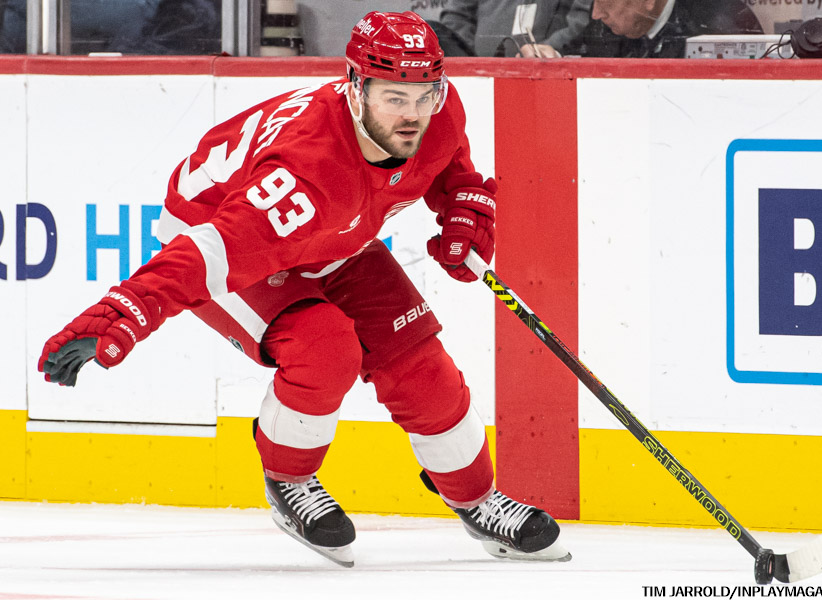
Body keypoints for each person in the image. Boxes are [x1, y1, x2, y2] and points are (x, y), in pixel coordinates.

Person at [37, 11, 570, 567]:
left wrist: (463, 208)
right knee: (324, 347)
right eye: (394, 98)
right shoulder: (303, 173)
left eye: (423, 96)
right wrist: (119, 314)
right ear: (355, 86)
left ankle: (477, 500)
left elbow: (448, 163)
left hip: (334, 236)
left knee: (420, 367)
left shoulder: (437, 110)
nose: (412, 115)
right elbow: (206, 255)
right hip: (223, 230)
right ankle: (289, 480)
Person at [566, 0, 763, 58]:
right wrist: (554, 55)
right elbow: (578, 53)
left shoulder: (722, 23)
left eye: (606, 2)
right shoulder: (610, 21)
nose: (596, 14)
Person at [435, 0, 591, 58]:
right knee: (433, 29)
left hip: (548, 76)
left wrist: (548, 51)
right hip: (480, 79)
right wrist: (474, 60)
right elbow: (456, 17)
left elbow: (585, 18)